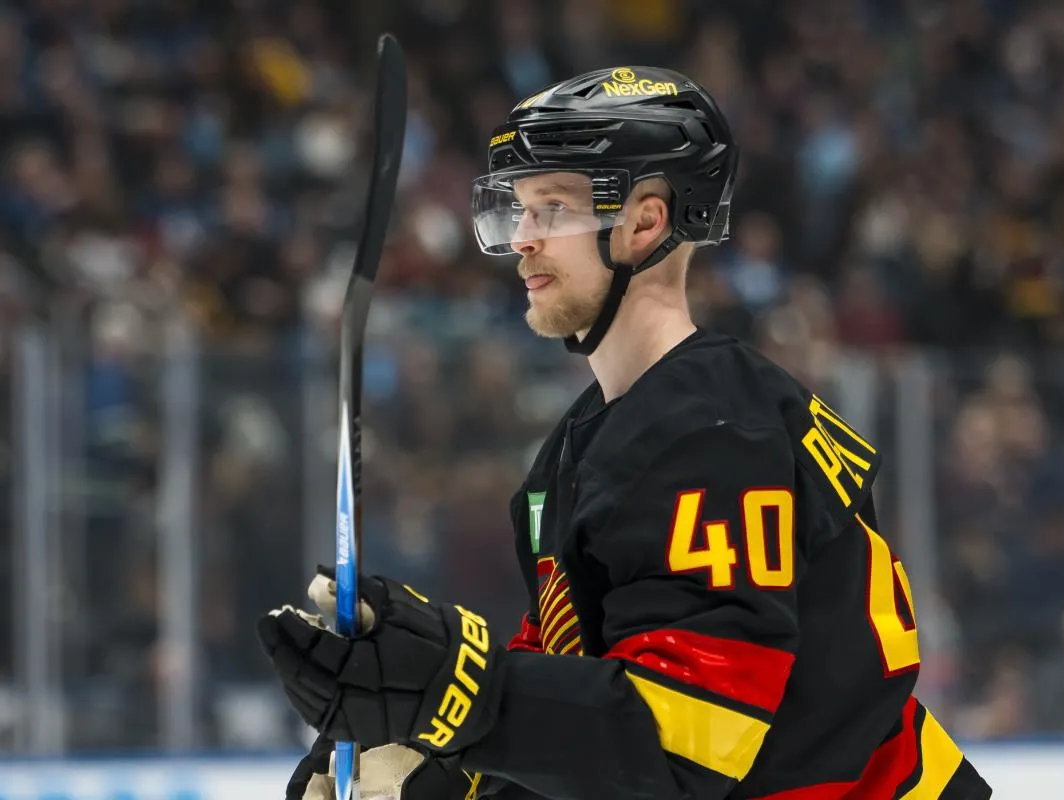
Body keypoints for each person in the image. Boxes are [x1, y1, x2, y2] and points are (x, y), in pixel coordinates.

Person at [258, 66, 993, 800]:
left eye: (551, 209)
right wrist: (432, 768)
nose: (522, 239)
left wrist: (453, 688)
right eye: (517, 210)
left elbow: (687, 746)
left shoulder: (712, 437)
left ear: (644, 222)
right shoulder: (586, 445)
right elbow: (587, 722)